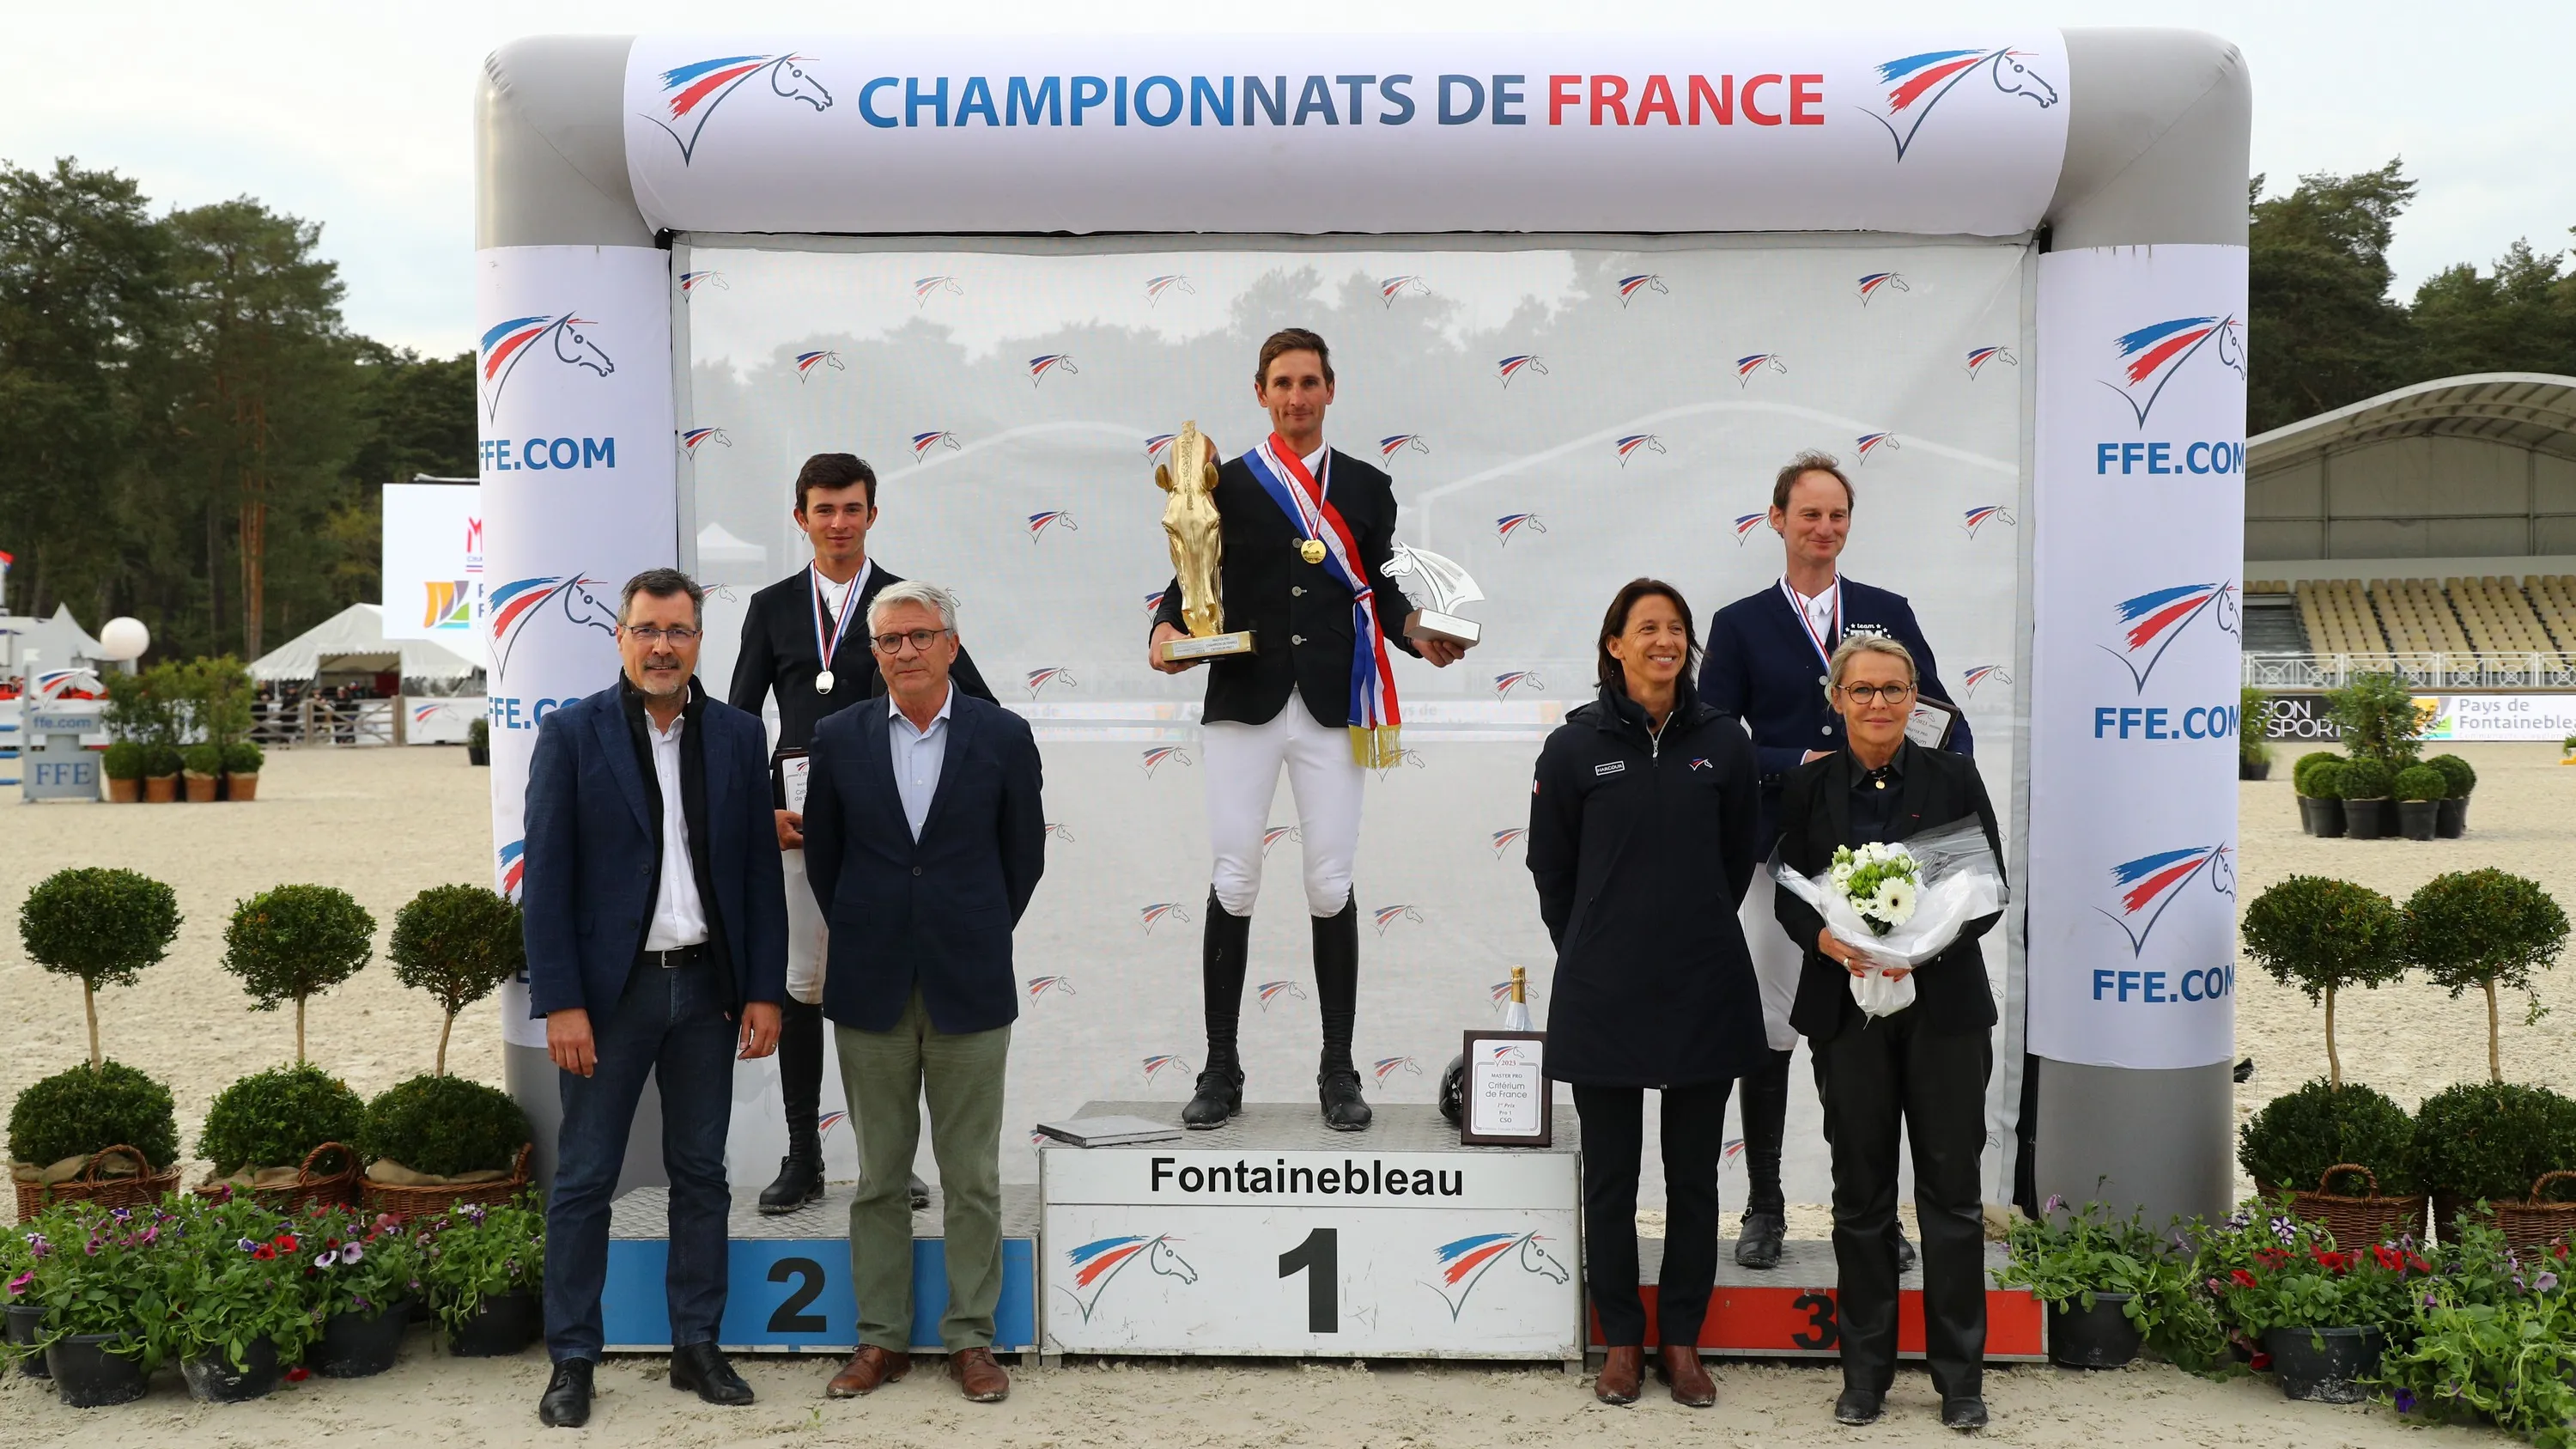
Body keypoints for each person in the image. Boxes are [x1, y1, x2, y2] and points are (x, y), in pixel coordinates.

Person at [1146, 327, 1467, 1133]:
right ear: (1261, 392)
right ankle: (1221, 1065)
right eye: (1282, 383)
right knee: (1235, 876)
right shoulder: (1230, 481)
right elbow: (1193, 566)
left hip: (1331, 702)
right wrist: (1164, 629)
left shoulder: (1367, 486)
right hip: (1246, 696)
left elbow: (1382, 584)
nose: (1296, 396)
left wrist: (1417, 629)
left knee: (1329, 879)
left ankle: (1338, 1066)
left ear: (1331, 391)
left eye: (1309, 382)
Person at [521, 568, 787, 1429]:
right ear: (621, 638)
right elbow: (548, 880)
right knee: (586, 1178)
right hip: (610, 997)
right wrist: (561, 1000)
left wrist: (765, 993)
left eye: (678, 630)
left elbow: (757, 876)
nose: (662, 645)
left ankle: (696, 1346)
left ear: (698, 641)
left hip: (709, 988)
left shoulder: (743, 738)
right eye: (647, 629)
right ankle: (572, 1359)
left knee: (701, 1175)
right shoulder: (570, 734)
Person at [1700, 449, 1970, 1272]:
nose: (1824, 528)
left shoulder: (1886, 610)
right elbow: (1715, 737)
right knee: (1774, 1028)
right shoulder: (1741, 622)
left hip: (1877, 848)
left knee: (1872, 1027)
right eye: (1809, 514)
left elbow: (1941, 718)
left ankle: (1875, 1215)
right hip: (1783, 848)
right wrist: (1800, 762)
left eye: (1837, 515)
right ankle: (1767, 1205)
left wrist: (1885, 754)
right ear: (1777, 520)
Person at [730, 452, 994, 1215]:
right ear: (801, 517)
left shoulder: (906, 604)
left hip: (886, 826)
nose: (838, 523)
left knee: (890, 983)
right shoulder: (773, 605)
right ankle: (804, 1154)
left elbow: (978, 706)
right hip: (798, 820)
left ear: (873, 515)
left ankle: (890, 1159)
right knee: (803, 986)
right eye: (823, 509)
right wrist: (756, 806)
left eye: (851, 509)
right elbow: (739, 720)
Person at [801, 581, 1045, 1404]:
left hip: (969, 982)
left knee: (972, 1173)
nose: (904, 650)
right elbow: (828, 863)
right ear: (874, 654)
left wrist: (964, 927)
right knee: (877, 1176)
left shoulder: (1005, 736)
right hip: (870, 983)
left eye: (919, 635)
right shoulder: (836, 739)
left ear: (950, 643)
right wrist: (882, 929)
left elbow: (1023, 860)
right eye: (889, 640)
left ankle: (971, 1339)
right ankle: (881, 1340)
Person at [1528, 579, 1766, 1409]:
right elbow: (1550, 868)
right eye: (1647, 628)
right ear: (1615, 645)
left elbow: (1740, 856)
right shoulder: (1573, 747)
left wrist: (1689, 925)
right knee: (1613, 1181)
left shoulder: (1724, 741)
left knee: (1694, 1177)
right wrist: (1592, 942)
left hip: (1704, 984)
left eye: (1676, 629)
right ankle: (1623, 1341)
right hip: (1605, 991)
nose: (1665, 640)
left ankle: (1683, 1342)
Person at [1772, 635, 2002, 1431]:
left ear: (1916, 698)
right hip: (1849, 1018)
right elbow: (1791, 894)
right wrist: (1825, 939)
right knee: (1860, 1196)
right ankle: (1864, 1374)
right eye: (1862, 689)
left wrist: (1922, 947)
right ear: (1837, 699)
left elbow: (1988, 891)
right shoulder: (1809, 786)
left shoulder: (1953, 776)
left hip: (1944, 1016)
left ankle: (1960, 1379)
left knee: (1952, 1198)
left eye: (1894, 689)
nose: (1878, 703)